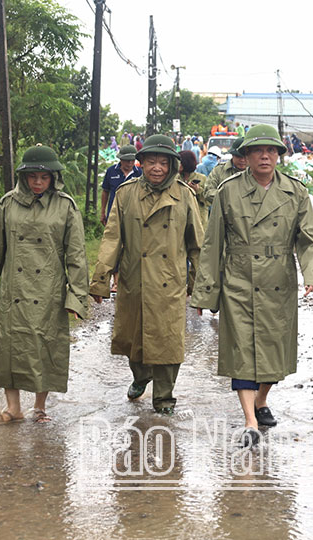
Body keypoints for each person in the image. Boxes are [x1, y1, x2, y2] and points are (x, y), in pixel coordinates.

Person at [191, 124, 313, 447]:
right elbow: (212, 244)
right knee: (241, 350)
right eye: (257, 151)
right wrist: (206, 291)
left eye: (271, 151)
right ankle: (250, 420)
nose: (265, 156)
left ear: (279, 155)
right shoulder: (228, 191)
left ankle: (262, 399)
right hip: (239, 280)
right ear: (246, 156)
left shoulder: (295, 192)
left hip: (278, 280)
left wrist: (312, 275)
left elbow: (309, 238)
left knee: (273, 353)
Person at [0, 145, 89, 425]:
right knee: (8, 346)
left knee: (43, 346)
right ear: (23, 177)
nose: (38, 182)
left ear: (53, 178)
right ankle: (13, 407)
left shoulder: (65, 206)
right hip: (14, 288)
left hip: (48, 289)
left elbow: (76, 256)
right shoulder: (8, 203)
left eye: (44, 177)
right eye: (32, 176)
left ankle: (39, 407)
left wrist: (76, 297)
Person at [89, 135, 204, 415]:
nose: (157, 168)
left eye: (163, 162)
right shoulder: (126, 194)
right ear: (141, 163)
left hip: (169, 281)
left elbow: (197, 245)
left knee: (169, 341)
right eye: (151, 161)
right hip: (135, 279)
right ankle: (141, 377)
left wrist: (200, 287)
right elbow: (112, 238)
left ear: (172, 165)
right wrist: (101, 280)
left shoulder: (184, 195)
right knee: (134, 339)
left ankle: (164, 398)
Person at [202, 137, 246, 215]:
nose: (242, 160)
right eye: (239, 157)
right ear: (232, 155)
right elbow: (208, 192)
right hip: (224, 215)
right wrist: (229, 197)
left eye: (245, 157)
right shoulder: (219, 170)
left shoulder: (256, 172)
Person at [101, 144, 142, 226]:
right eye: (127, 160)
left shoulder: (140, 173)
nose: (130, 163)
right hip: (113, 212)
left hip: (133, 214)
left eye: (132, 160)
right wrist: (102, 212)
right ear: (121, 159)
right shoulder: (111, 171)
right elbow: (105, 191)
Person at [179, 150, 209, 230]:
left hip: (198, 219)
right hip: (180, 218)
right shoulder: (175, 178)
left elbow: (208, 201)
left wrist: (197, 190)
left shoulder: (202, 178)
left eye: (180, 162)